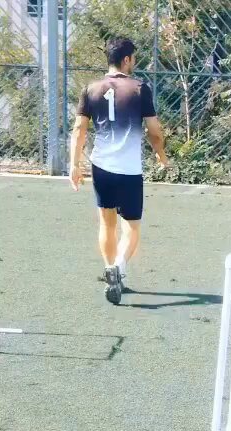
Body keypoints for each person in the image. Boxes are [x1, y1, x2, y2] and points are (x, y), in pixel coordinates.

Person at [69, 37, 167, 304]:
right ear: (126, 60)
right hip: (129, 169)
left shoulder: (90, 89)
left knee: (106, 223)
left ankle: (110, 270)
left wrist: (74, 164)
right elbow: (154, 130)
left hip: (101, 167)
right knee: (132, 226)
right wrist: (161, 155)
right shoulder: (139, 89)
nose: (134, 62)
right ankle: (118, 268)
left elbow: (79, 130)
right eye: (133, 58)